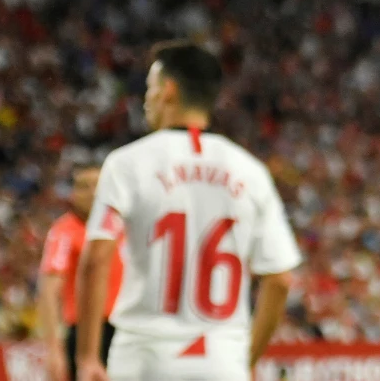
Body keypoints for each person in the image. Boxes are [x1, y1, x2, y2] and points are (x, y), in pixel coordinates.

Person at [75, 41, 302, 381]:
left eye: (150, 88)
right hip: (220, 359)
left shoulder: (127, 163)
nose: (145, 98)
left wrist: (88, 356)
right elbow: (280, 280)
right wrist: (245, 358)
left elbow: (96, 259)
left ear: (168, 90)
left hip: (144, 356)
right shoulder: (250, 171)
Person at [36, 164, 125, 381]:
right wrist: (54, 348)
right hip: (86, 332)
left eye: (98, 185)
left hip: (125, 328)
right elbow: (49, 290)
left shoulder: (121, 225)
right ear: (73, 194)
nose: (93, 192)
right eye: (85, 186)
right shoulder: (65, 231)